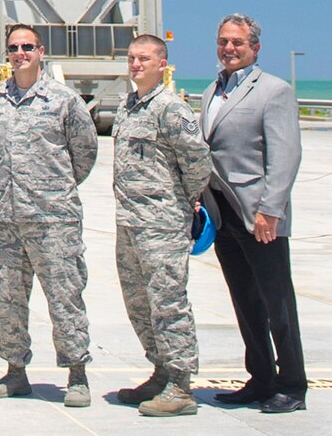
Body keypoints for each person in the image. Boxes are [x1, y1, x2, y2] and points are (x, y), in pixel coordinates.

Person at [0, 21, 98, 407]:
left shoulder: (64, 100)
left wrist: (53, 191)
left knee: (65, 297)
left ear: (41, 51)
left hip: (53, 220)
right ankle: (15, 371)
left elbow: (85, 152)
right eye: (14, 48)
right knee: (9, 298)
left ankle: (77, 373)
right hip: (5, 218)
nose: (20, 54)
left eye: (27, 47)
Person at [197, 14, 306, 414]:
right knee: (245, 301)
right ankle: (260, 379)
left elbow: (285, 155)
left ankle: (293, 384)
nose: (229, 48)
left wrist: (270, 211)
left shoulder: (274, 91)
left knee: (277, 303)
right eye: (223, 41)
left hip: (260, 216)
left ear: (255, 48)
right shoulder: (212, 90)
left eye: (237, 43)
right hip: (224, 216)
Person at [112, 32, 212, 418]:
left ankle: (182, 385)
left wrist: (183, 205)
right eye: (132, 58)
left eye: (144, 59)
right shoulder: (128, 106)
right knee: (139, 304)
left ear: (162, 65)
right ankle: (161, 370)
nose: (136, 64)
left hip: (162, 225)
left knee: (168, 303)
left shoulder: (172, 109)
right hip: (129, 223)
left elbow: (198, 162)